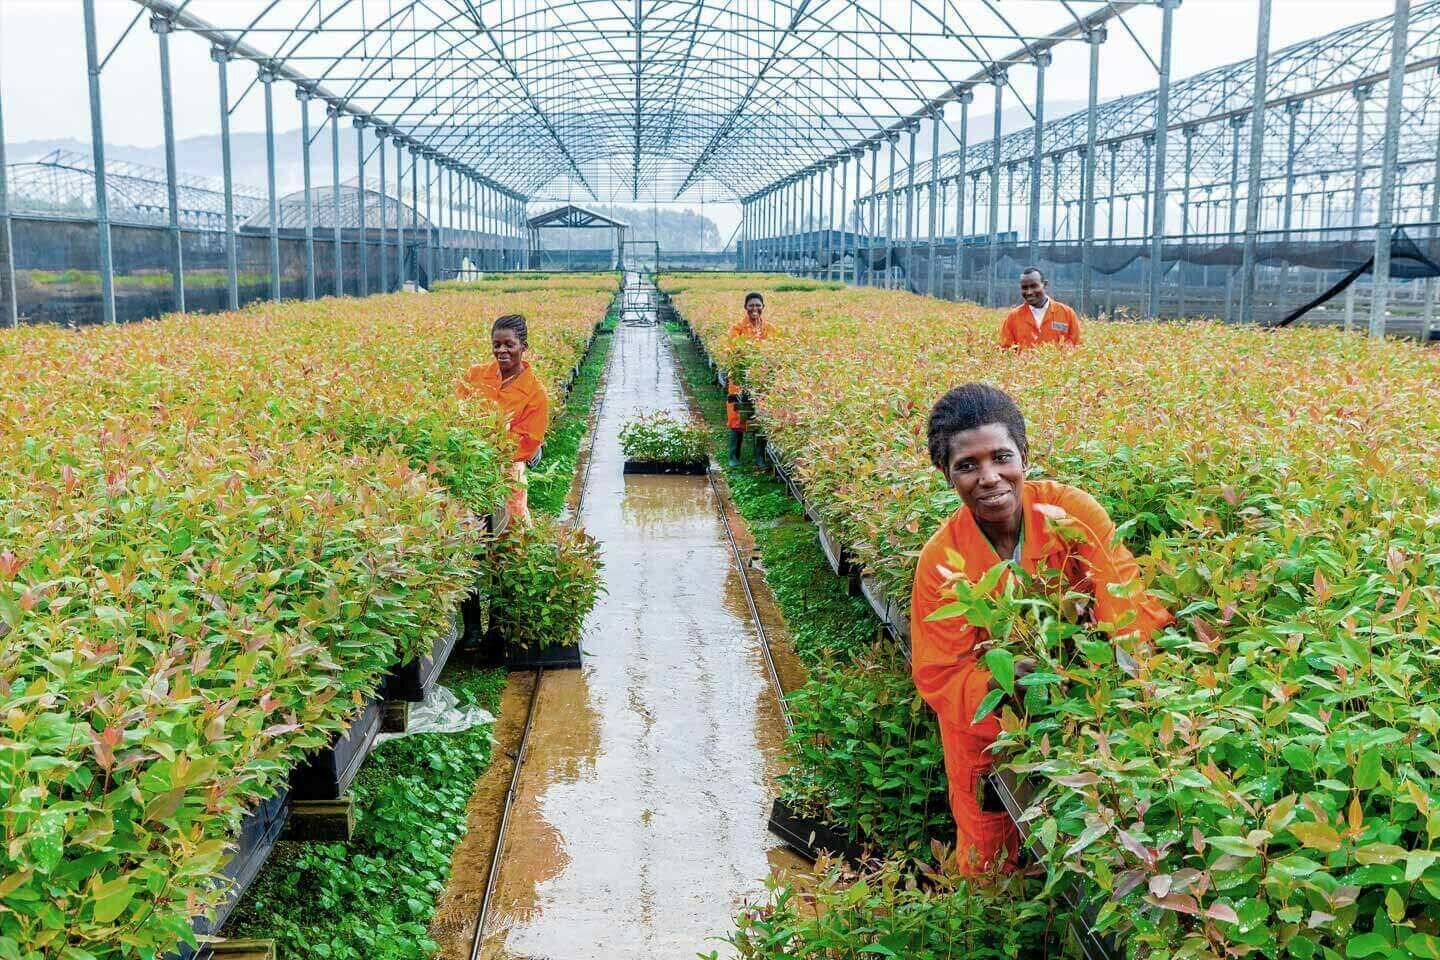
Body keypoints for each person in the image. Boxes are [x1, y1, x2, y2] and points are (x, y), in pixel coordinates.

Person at [910, 383, 1171, 877]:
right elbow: (941, 674)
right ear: (946, 476)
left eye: (1000, 457)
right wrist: (1002, 681)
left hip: (1087, 706)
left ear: (1024, 455)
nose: (989, 478)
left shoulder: (1071, 514)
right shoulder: (941, 560)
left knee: (1104, 847)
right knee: (988, 855)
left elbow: (1124, 605)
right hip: (986, 731)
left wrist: (1104, 684)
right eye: (967, 465)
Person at [457, 314, 550, 529]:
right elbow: (457, 411)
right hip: (468, 458)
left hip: (507, 463)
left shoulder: (535, 393)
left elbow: (529, 441)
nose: (501, 350)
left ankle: (517, 549)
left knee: (512, 517)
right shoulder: (475, 375)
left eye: (509, 345)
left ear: (523, 347)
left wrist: (492, 443)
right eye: (496, 345)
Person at [725, 291, 775, 468]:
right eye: (751, 305)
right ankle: (733, 456)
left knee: (760, 415)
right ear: (745, 307)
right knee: (736, 415)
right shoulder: (737, 328)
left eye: (758, 305)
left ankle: (760, 459)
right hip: (740, 379)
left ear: (763, 307)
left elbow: (775, 350)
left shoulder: (769, 328)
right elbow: (733, 350)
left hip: (761, 379)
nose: (755, 309)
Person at [999, 267, 1081, 349]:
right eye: (1024, 288)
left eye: (1034, 286)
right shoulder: (1013, 317)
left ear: (1044, 284)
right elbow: (1006, 351)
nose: (1029, 292)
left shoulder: (1067, 314)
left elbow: (1076, 346)